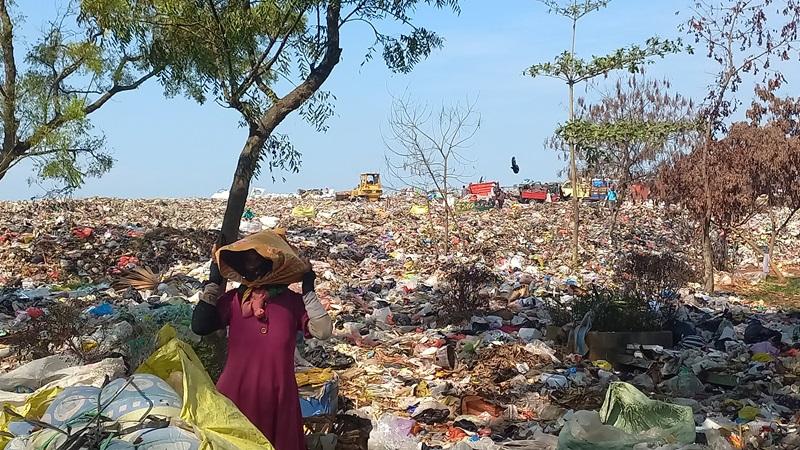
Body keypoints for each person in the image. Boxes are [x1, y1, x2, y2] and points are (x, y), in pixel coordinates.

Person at [192, 230, 332, 450]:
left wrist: (308, 291)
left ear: (273, 264)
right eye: (246, 260)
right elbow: (200, 326)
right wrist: (213, 283)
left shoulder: (292, 303)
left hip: (277, 397)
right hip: (236, 393)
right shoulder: (234, 300)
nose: (251, 265)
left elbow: (323, 331)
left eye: (256, 259)